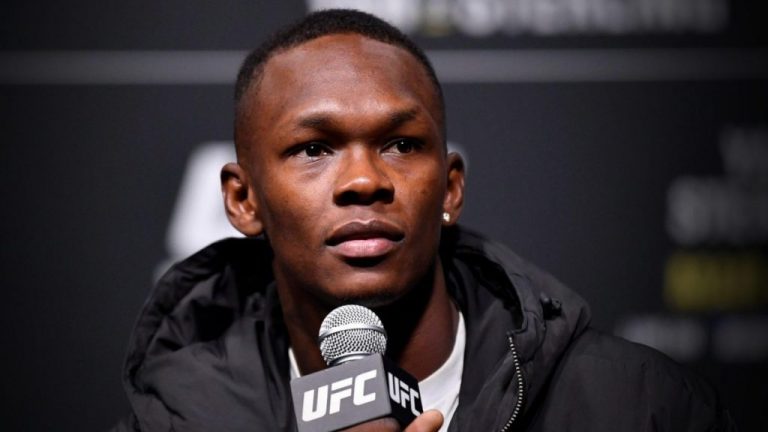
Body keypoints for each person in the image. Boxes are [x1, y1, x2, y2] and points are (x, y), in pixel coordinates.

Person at [113, 9, 735, 432]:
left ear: (451, 188)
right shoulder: (174, 422)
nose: (364, 180)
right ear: (243, 201)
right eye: (314, 149)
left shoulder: (640, 407)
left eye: (401, 144)